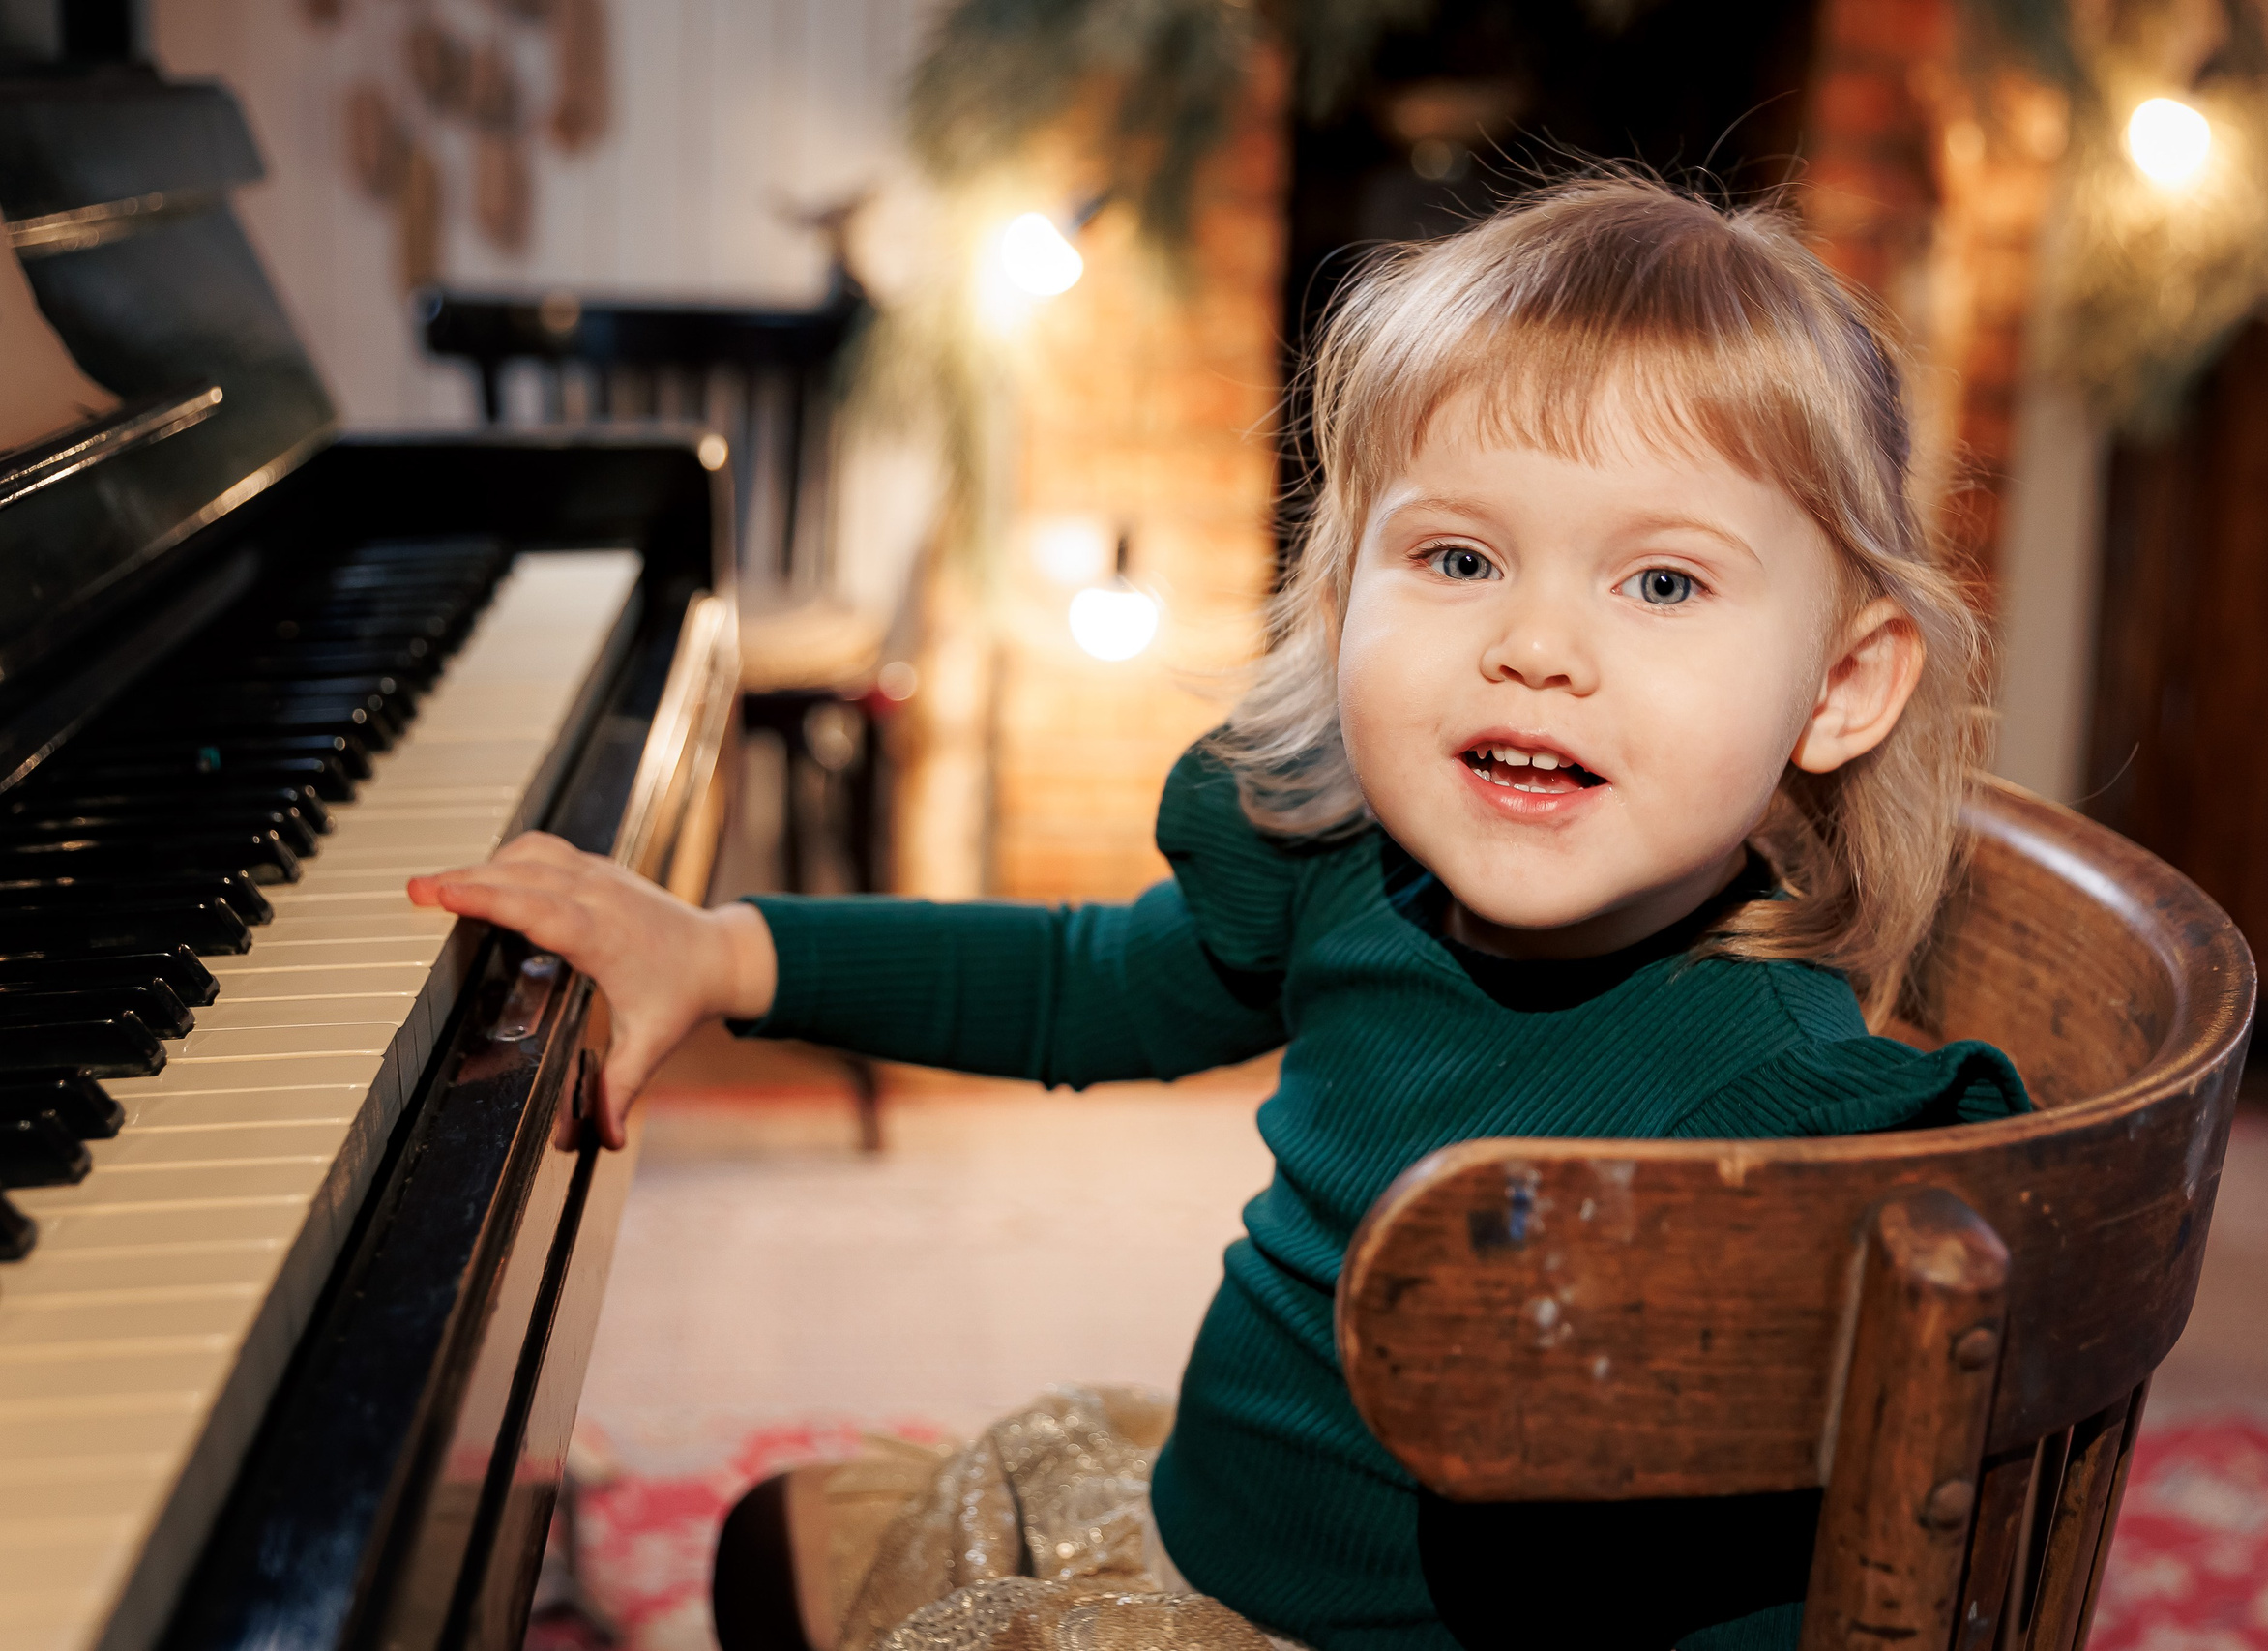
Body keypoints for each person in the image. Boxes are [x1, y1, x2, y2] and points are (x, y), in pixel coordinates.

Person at [410, 174, 2029, 1651]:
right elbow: (1090, 983)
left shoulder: (1790, 1120)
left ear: (1840, 684)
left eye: (1661, 584)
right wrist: (725, 951)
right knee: (790, 1541)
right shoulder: (1349, 880)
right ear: (1342, 603)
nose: (1537, 645)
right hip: (1194, 1544)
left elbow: (1820, 1553)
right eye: (1459, 559)